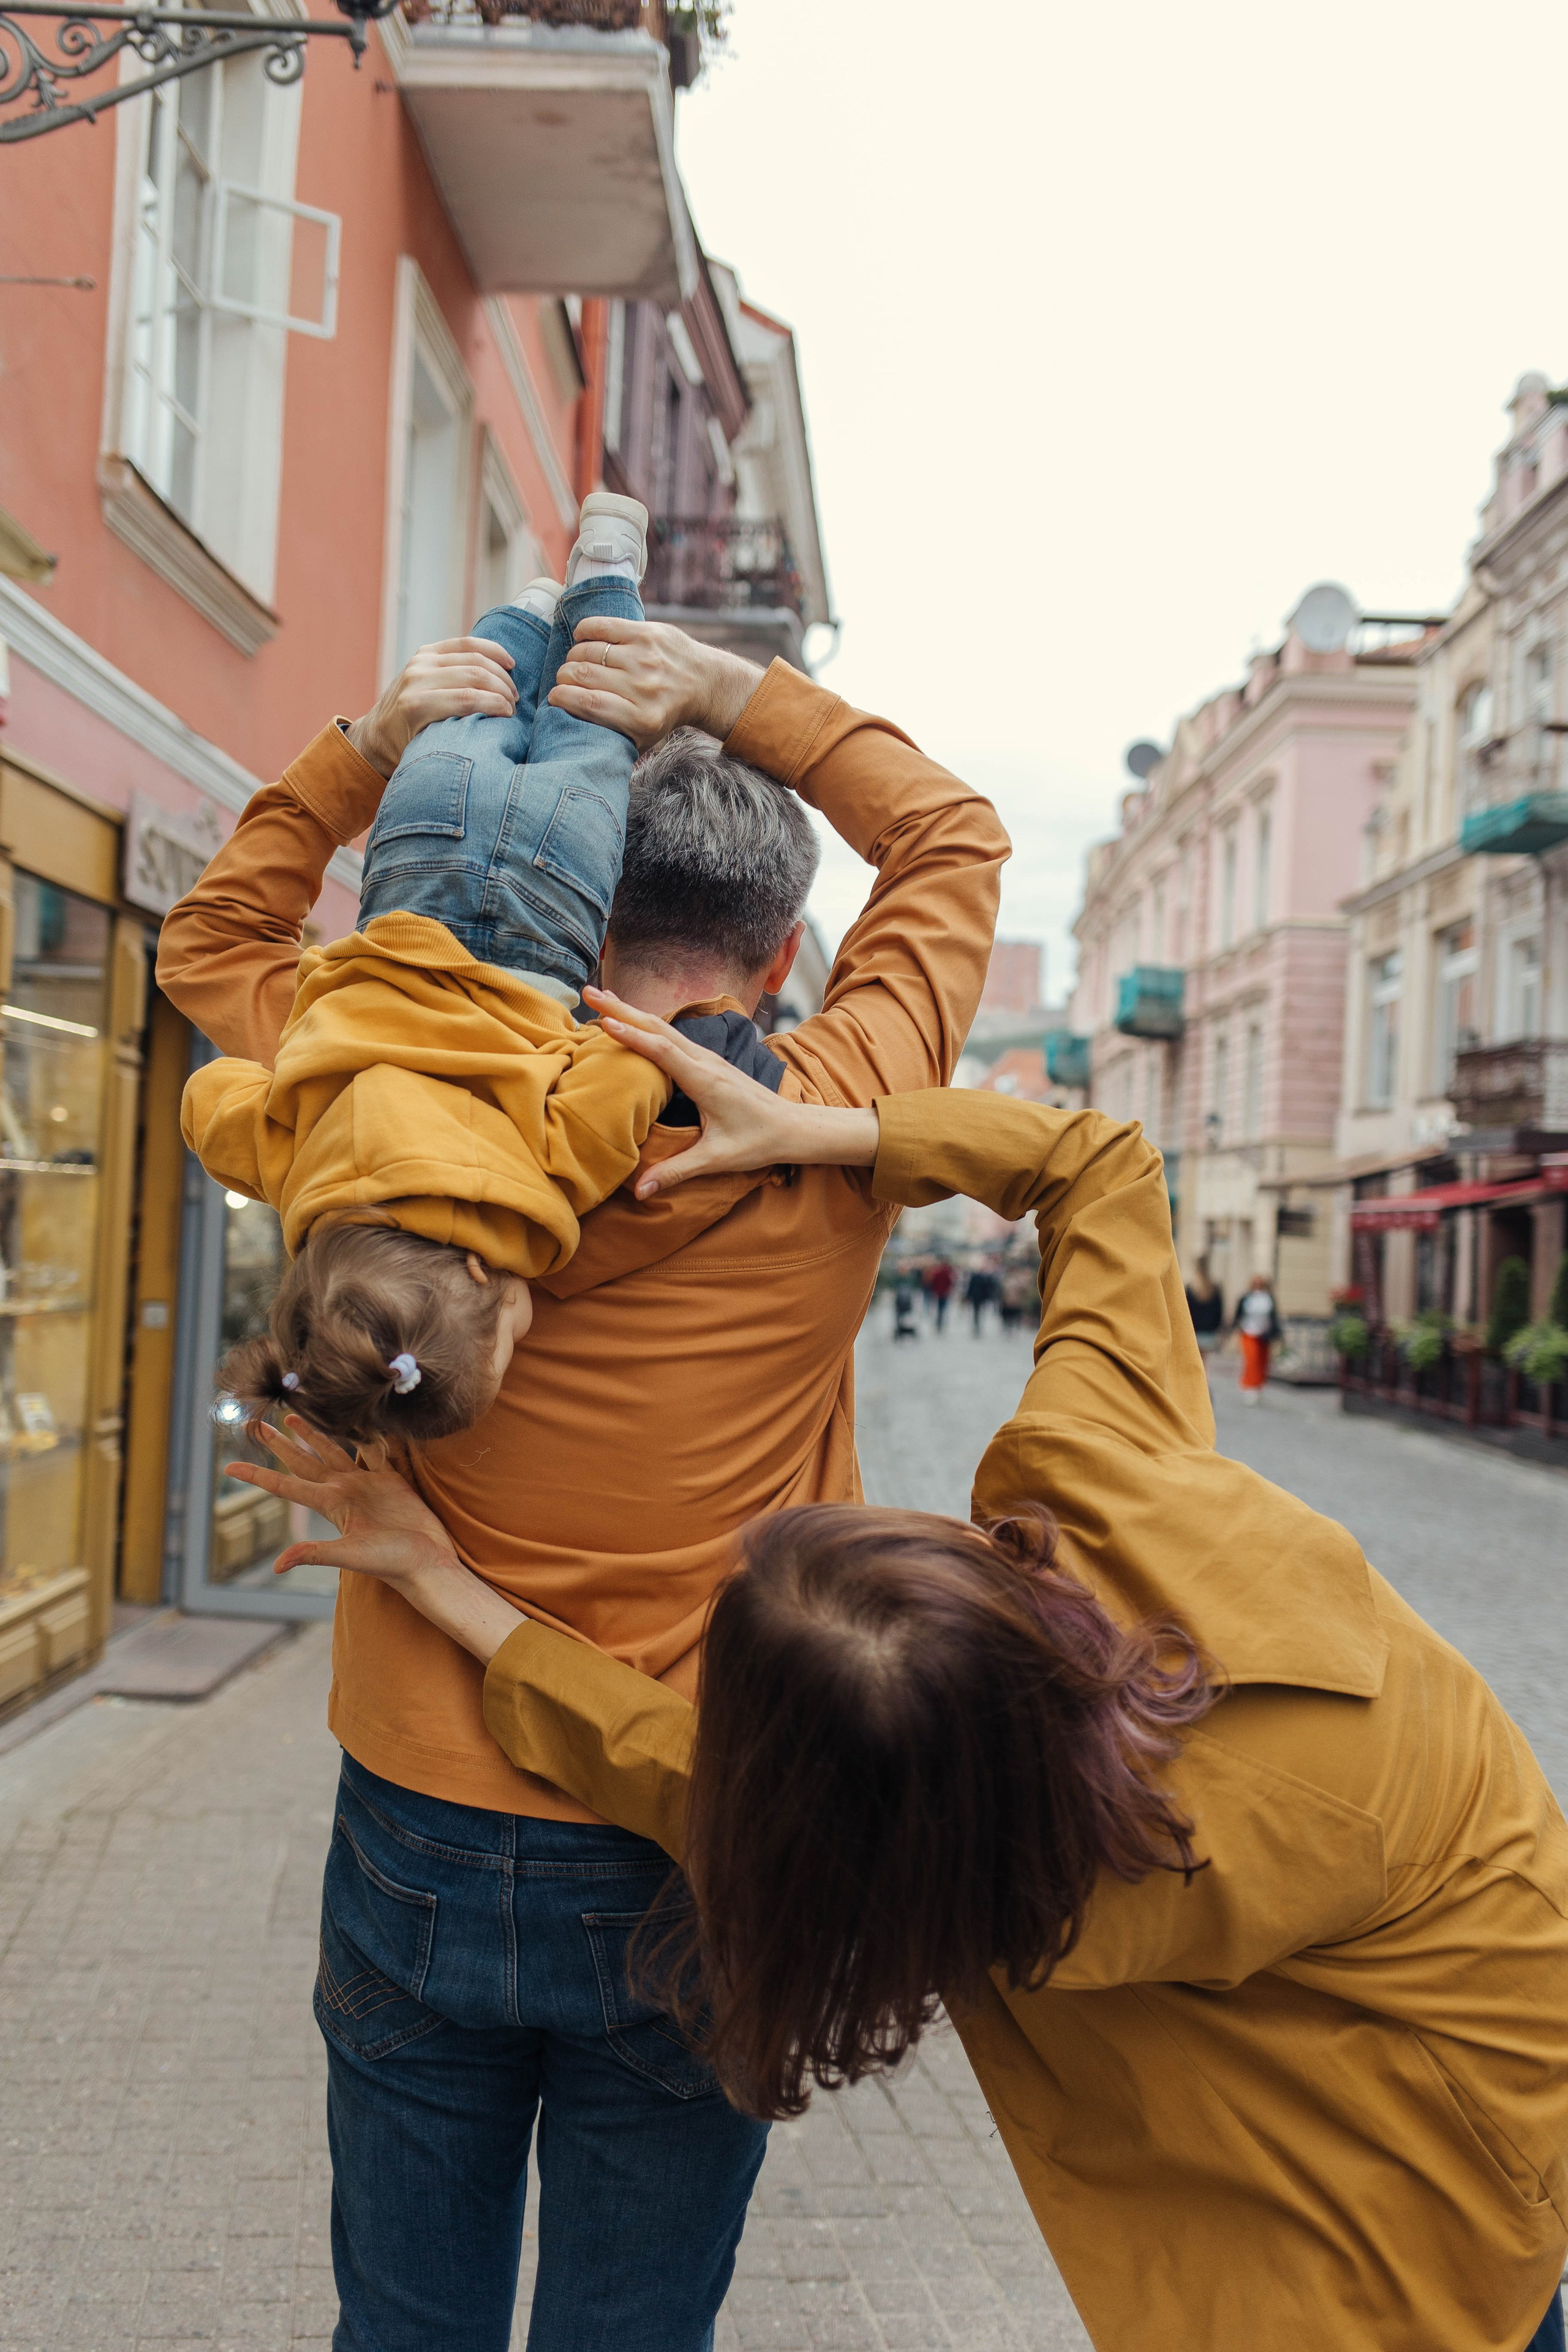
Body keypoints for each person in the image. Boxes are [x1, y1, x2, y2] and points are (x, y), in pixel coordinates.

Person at [247, 1013, 1568, 2352]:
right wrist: (831, 1133)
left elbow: (686, 1780)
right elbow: (1098, 1166)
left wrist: (447, 1585)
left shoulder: (1052, 1883)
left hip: (1414, 2237)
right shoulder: (1085, 1478)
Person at [156, 621, 1008, 2351]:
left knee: (406, 2324)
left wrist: (373, 739)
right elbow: (954, 839)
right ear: (779, 953)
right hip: (701, 1824)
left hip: (421, 1808)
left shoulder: (371, 1087)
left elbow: (214, 935)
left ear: (569, 903)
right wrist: (731, 692)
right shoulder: (831, 1120)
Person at [182, 492, 703, 1450]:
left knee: (595, 720)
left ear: (477, 1283)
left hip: (559, 901)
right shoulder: (302, 1160)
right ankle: (522, 609)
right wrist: (373, 746)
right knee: (477, 702)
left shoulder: (552, 1190)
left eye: (508, 1337)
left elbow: (632, 1066)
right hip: (414, 857)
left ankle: (606, 570)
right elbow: (213, 1093)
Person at [1232, 1269, 1280, 1402]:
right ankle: (1249, 1386)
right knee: (1251, 1360)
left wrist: (1276, 1333)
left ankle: (1259, 1384)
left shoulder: (1268, 1298)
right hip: (1249, 1332)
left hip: (1264, 1334)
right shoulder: (1247, 1298)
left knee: (1262, 1361)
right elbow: (1239, 1314)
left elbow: (1274, 1317)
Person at [1183, 1253, 1223, 1365]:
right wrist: (1217, 1327)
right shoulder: (1214, 1287)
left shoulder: (1190, 1287)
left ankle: (1198, 1381)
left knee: (1195, 1361)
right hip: (1208, 1332)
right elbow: (1218, 1311)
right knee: (1204, 1362)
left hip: (1194, 1331)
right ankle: (1204, 1380)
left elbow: (1186, 1311)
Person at [925, 1254, 956, 1331]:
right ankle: (941, 1322)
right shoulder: (947, 1272)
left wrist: (934, 1291)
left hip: (939, 1292)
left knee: (940, 1308)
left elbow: (933, 1283)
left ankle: (939, 1322)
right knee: (943, 1308)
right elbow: (950, 1283)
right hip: (944, 1293)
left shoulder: (937, 1272)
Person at [892, 1269, 920, 1341]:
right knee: (899, 1318)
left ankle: (905, 1330)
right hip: (900, 1302)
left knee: (908, 1318)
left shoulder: (910, 1279)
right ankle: (899, 1330)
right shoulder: (897, 1278)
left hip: (907, 1301)